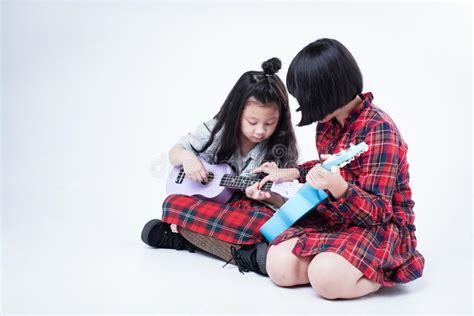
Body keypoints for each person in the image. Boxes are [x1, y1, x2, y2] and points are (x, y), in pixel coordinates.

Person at [251, 39, 425, 299]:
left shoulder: (380, 130)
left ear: (328, 92)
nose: (305, 108)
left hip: (379, 225)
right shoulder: (329, 123)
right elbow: (329, 166)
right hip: (338, 217)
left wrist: (338, 187)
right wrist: (292, 172)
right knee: (279, 267)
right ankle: (337, 260)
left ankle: (380, 272)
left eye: (308, 100)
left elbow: (379, 211)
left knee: (327, 279)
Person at [141, 57, 298, 275]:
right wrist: (188, 158)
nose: (260, 131)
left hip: (243, 209)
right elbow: (175, 152)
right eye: (252, 122)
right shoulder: (214, 131)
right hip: (209, 206)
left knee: (268, 222)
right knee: (174, 203)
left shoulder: (280, 148)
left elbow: (285, 200)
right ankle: (246, 253)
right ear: (237, 111)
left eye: (269, 123)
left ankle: (188, 238)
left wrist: (267, 196)